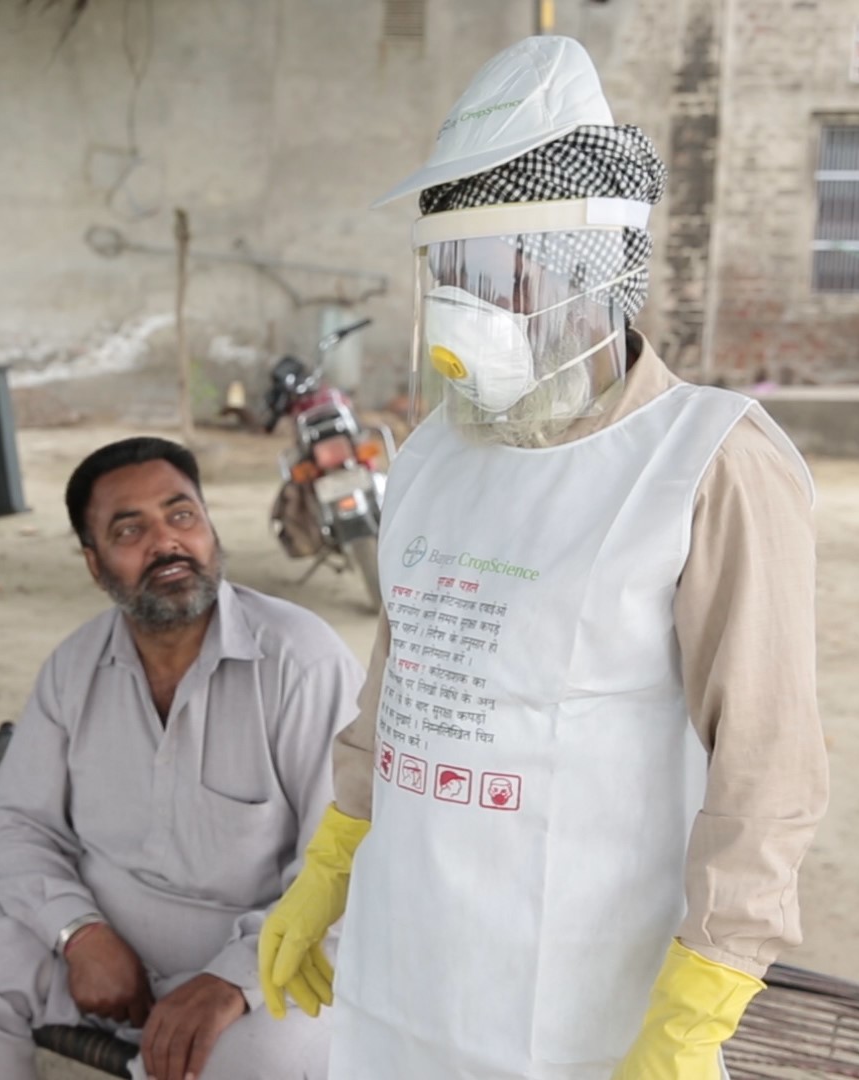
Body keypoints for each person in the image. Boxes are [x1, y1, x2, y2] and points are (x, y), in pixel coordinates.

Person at [257, 36, 829, 1079]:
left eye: (499, 273)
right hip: (408, 965)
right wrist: (334, 851)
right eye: (454, 274)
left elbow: (768, 764)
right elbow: (406, 676)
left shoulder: (709, 465)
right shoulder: (434, 454)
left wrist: (702, 1001)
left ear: (589, 267)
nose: (471, 308)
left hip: (586, 995)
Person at [0, 437, 362, 1080]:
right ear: (94, 562)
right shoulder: (73, 668)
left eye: (182, 515)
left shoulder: (302, 661)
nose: (166, 542)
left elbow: (344, 864)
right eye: (129, 528)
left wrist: (232, 982)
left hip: (253, 978)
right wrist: (77, 933)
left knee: (274, 1057)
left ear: (210, 528)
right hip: (98, 964)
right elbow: (15, 824)